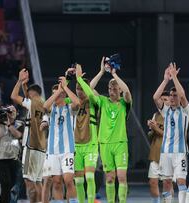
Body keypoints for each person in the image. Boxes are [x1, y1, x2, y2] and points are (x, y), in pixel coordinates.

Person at [80, 56, 132, 203]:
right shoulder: (102, 101)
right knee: (109, 178)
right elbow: (89, 88)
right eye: (110, 88)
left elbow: (127, 92)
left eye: (115, 89)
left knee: (122, 177)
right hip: (104, 144)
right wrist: (102, 71)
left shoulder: (124, 103)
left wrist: (114, 74)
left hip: (120, 143)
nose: (111, 91)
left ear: (119, 90)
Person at [153, 63, 189, 203]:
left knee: (181, 182)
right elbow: (155, 97)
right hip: (165, 152)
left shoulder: (186, 111)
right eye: (171, 95)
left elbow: (182, 94)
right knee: (167, 183)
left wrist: (174, 77)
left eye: (175, 95)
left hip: (180, 152)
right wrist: (165, 80)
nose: (172, 97)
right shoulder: (166, 110)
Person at [42, 74, 80, 203]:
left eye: (58, 94)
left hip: (67, 150)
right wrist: (58, 90)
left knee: (68, 180)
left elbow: (77, 102)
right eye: (54, 94)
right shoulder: (51, 110)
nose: (55, 97)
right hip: (53, 151)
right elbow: (44, 106)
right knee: (56, 182)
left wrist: (65, 88)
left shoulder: (70, 109)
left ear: (64, 95)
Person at [11, 69, 47, 203]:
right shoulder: (44, 103)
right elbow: (27, 96)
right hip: (41, 148)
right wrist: (25, 85)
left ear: (32, 94)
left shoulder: (31, 102)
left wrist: (20, 80)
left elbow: (14, 96)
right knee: (38, 181)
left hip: (30, 147)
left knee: (29, 181)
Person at [73, 65, 99, 203]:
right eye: (77, 88)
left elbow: (90, 93)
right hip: (77, 146)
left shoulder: (94, 101)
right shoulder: (73, 103)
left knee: (89, 177)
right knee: (78, 181)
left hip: (91, 144)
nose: (79, 91)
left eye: (81, 88)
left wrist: (80, 79)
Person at [0, 105, 24, 203]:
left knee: (14, 185)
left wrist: (9, 124)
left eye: (12, 111)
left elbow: (18, 135)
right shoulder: (1, 123)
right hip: (1, 158)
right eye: (9, 111)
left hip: (14, 158)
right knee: (5, 183)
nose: (11, 112)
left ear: (16, 113)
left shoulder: (20, 124)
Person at [147, 91, 169, 203]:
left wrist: (156, 129)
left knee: (167, 184)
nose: (162, 102)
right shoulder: (156, 115)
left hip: (168, 155)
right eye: (161, 100)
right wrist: (151, 128)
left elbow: (169, 136)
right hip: (155, 154)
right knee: (152, 182)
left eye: (165, 100)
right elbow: (150, 136)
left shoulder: (172, 116)